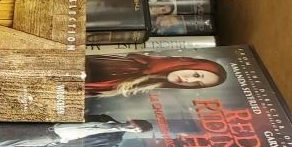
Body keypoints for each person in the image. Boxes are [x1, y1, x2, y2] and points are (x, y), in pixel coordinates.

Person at [0, 115, 153, 147]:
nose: (133, 128)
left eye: (137, 130)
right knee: (2, 126)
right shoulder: (106, 117)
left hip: (53, 137)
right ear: (133, 120)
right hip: (52, 124)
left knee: (6, 143)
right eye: (136, 125)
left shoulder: (113, 139)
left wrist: (60, 145)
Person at [85, 52, 227, 96]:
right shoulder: (136, 65)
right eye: (196, 75)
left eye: (197, 84)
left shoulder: (144, 86)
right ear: (191, 65)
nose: (188, 81)